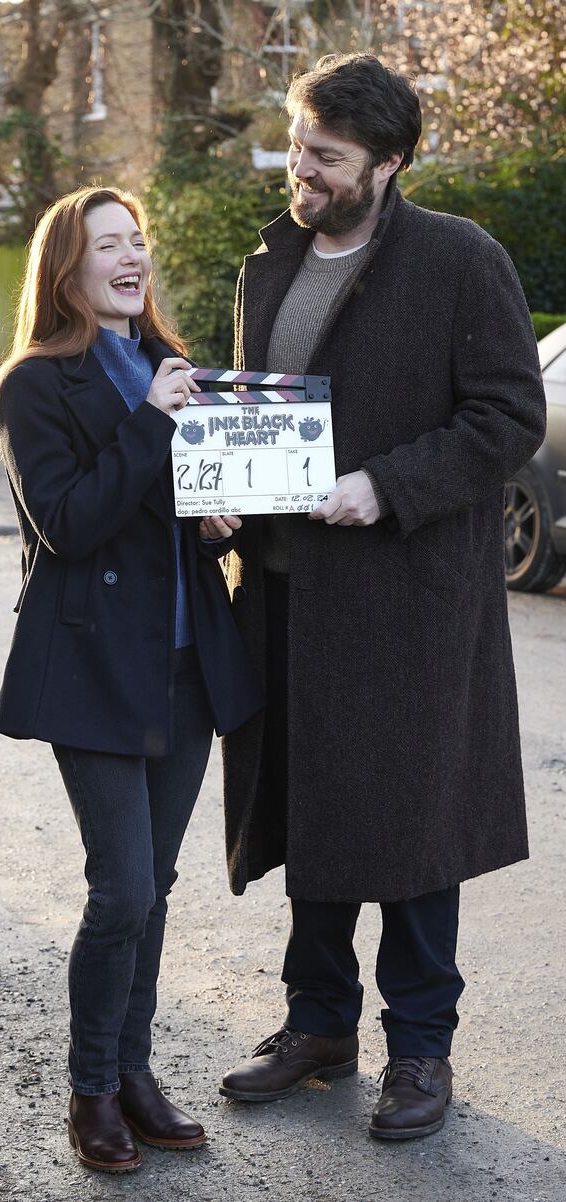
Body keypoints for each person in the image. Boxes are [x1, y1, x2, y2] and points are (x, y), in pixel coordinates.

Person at [203, 54, 546, 1141]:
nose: (299, 171)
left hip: (403, 605)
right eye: (298, 145)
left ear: (388, 165)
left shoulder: (457, 258)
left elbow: (505, 418)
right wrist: (212, 490)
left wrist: (382, 486)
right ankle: (316, 1022)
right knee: (306, 813)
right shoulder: (267, 262)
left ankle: (420, 1048)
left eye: (326, 158)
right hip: (282, 598)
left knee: (407, 828)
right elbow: (254, 408)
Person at [0, 186, 261, 1173]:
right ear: (67, 269)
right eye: (107, 243)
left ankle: (135, 1073)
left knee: (159, 886)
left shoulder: (166, 367)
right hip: (94, 666)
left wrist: (210, 515)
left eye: (135, 237)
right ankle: (92, 1085)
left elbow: (160, 506)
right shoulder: (31, 386)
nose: (130, 253)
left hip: (184, 662)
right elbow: (68, 521)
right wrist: (149, 420)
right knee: (123, 888)